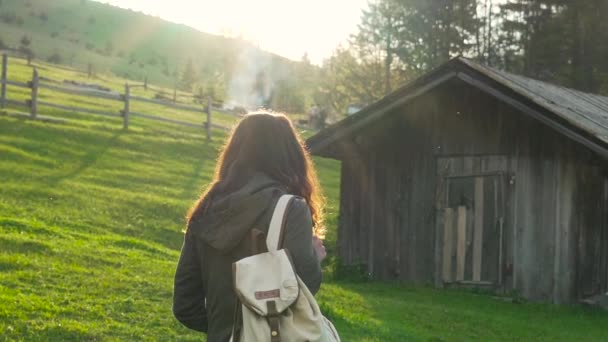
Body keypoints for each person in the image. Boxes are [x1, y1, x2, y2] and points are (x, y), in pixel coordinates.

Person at [172, 112, 328, 341]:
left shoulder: (206, 209)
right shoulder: (290, 209)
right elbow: (303, 290)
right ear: (290, 156)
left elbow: (185, 306)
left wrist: (226, 329)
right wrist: (314, 256)